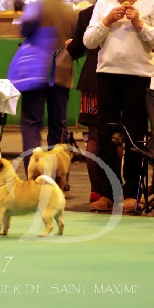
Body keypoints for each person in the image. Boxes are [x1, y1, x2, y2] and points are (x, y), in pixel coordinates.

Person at [83, 0, 154, 212]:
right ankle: (109, 193)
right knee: (106, 135)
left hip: (139, 76)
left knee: (135, 134)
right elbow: (88, 41)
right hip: (106, 75)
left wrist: (140, 25)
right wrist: (107, 21)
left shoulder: (149, 3)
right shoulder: (104, 3)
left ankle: (133, 192)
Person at [8, 0, 77, 174]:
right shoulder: (72, 11)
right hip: (62, 71)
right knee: (58, 124)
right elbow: (79, 43)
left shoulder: (36, 5)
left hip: (35, 70)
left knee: (32, 123)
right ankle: (58, 175)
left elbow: (27, 24)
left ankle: (34, 173)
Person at [66, 1, 122, 206]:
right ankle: (116, 189)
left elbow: (75, 49)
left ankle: (97, 191)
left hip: (92, 80)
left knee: (94, 136)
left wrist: (69, 44)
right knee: (116, 136)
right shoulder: (128, 10)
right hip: (119, 81)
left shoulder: (86, 13)